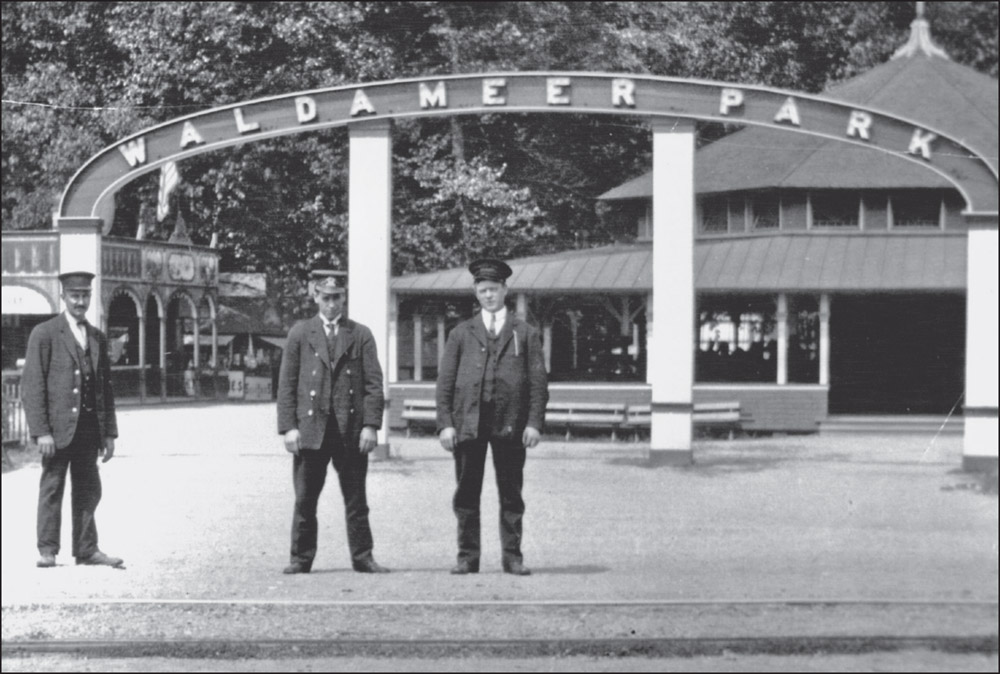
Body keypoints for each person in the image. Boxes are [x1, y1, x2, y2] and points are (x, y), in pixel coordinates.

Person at [436, 258, 549, 576]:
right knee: (466, 493)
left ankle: (512, 557)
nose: (489, 295)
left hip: (511, 426)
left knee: (511, 494)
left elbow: (539, 383)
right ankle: (467, 557)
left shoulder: (525, 334)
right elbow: (445, 383)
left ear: (505, 290)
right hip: (468, 425)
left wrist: (534, 423)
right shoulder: (461, 333)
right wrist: (445, 424)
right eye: (483, 290)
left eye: (494, 289)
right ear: (475, 292)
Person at [276, 269, 388, 574]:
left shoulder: (360, 334)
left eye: (337, 297)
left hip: (349, 432)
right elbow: (287, 384)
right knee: (305, 499)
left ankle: (363, 557)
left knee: (356, 500)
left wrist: (371, 425)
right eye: (325, 297)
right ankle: (301, 558)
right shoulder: (300, 333)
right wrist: (288, 428)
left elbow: (374, 385)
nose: (331, 304)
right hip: (311, 431)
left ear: (344, 297)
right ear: (315, 296)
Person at [21, 271, 124, 569]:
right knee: (52, 486)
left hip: (89, 430)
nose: (81, 301)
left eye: (85, 295)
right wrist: (41, 432)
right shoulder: (44, 333)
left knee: (89, 488)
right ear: (63, 296)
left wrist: (109, 434)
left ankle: (87, 549)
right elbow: (33, 385)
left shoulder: (97, 338)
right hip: (56, 431)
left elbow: (105, 388)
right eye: (75, 295)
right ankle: (47, 550)